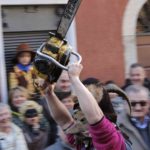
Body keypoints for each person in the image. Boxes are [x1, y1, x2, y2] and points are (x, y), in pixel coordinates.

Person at [40, 63, 131, 150]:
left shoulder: (110, 136)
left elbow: (95, 119)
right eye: (81, 120)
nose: (81, 124)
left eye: (86, 121)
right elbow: (65, 122)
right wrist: (49, 93)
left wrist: (74, 78)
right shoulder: (83, 137)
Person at [118, 85, 150, 150]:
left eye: (142, 103)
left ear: (149, 103)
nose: (138, 108)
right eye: (132, 104)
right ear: (125, 103)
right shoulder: (115, 128)